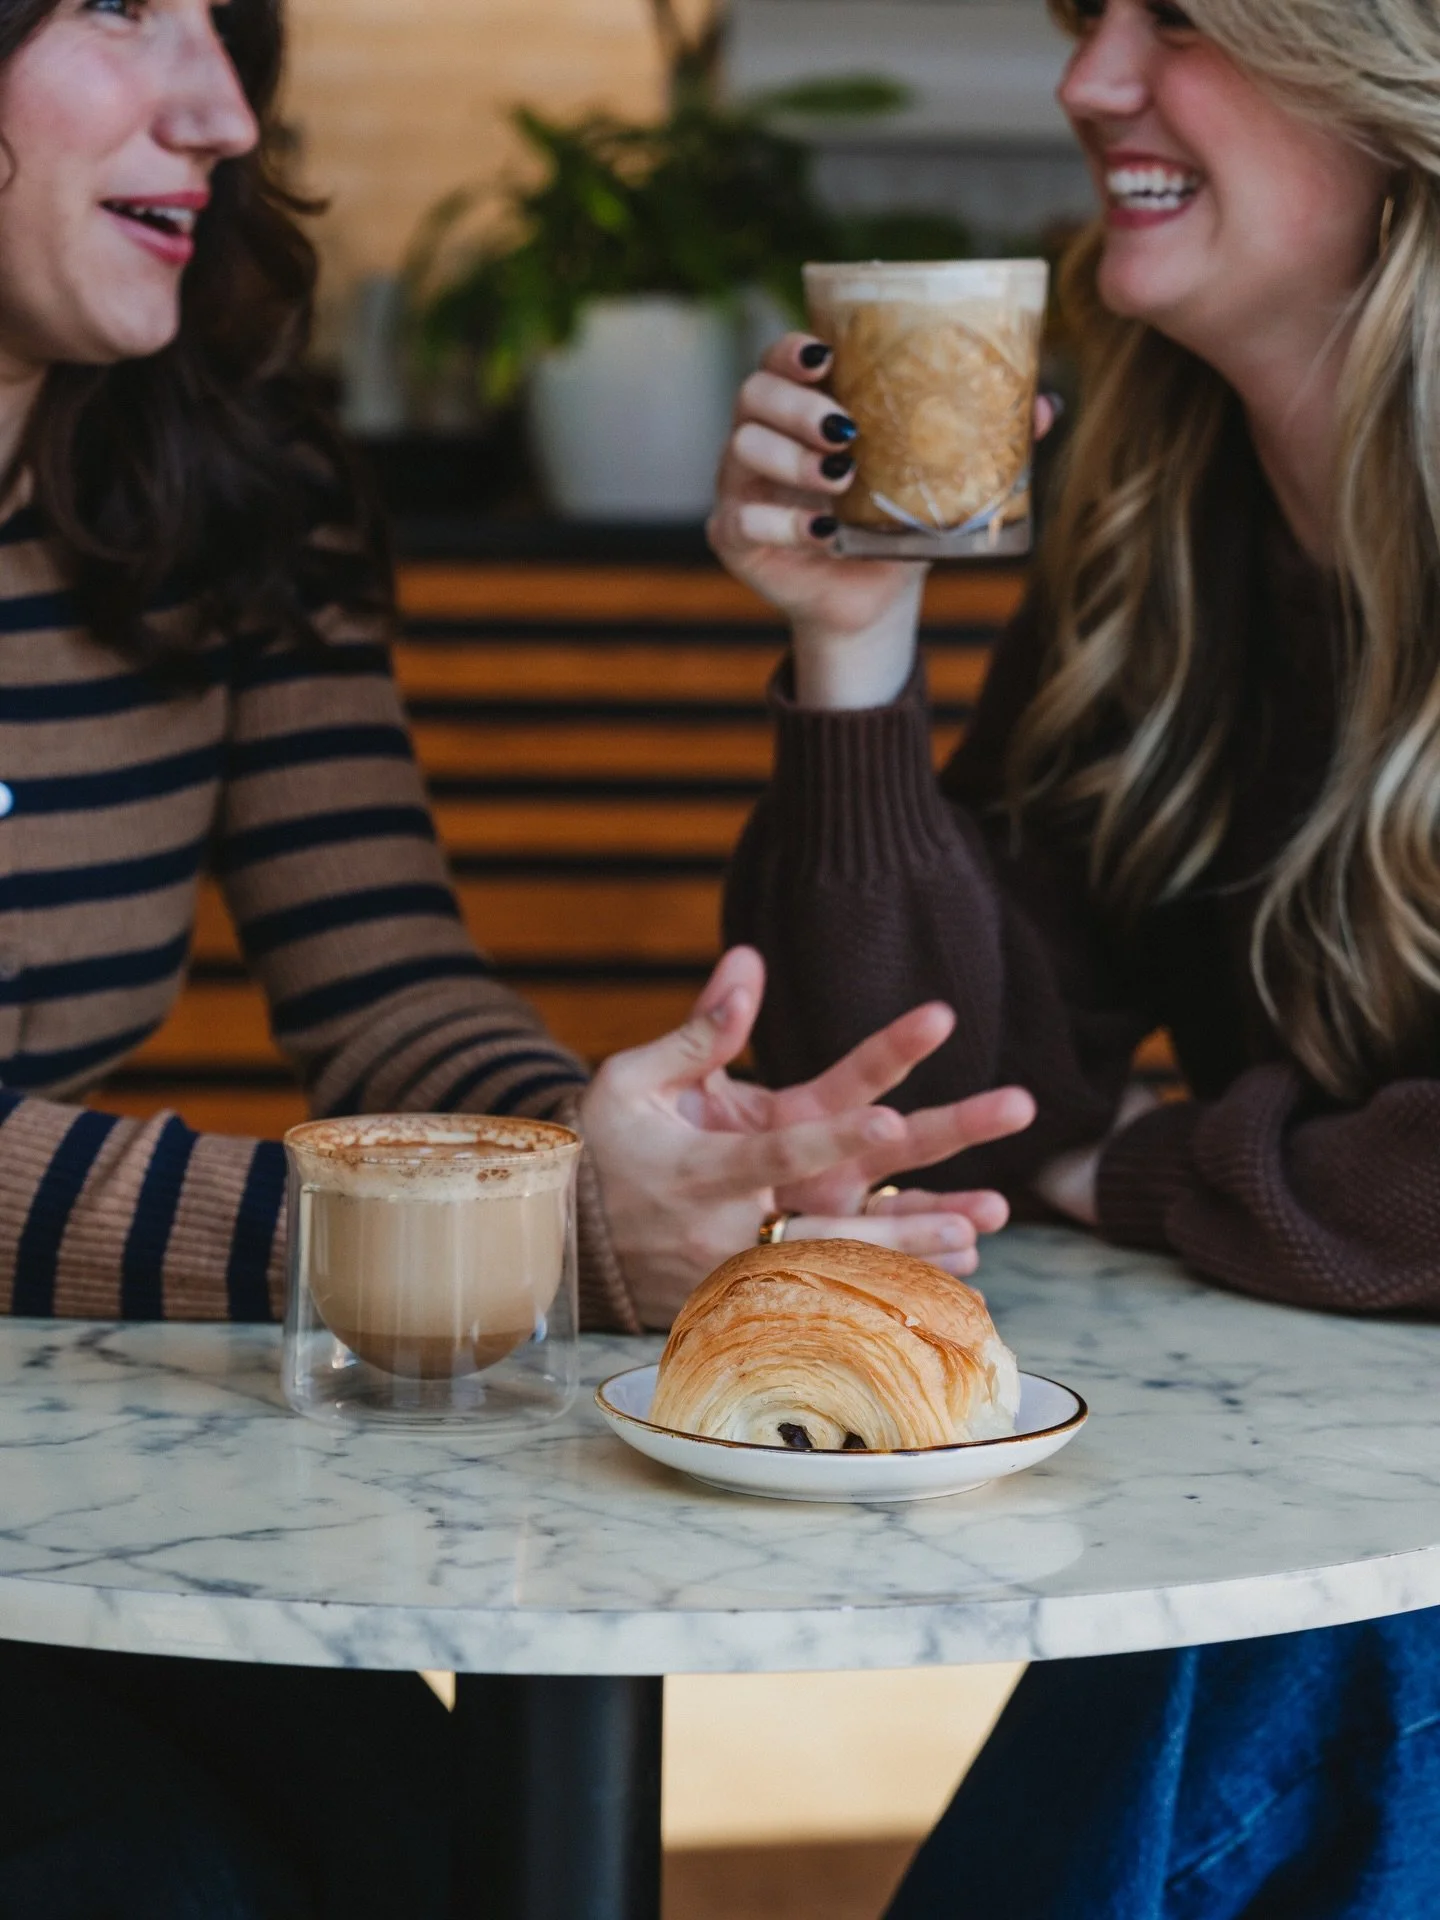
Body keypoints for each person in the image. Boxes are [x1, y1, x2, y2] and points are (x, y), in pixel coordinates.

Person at [0, 1, 1040, 1913]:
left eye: (229, 30)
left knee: (433, 1847)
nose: (222, 109)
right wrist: (521, 1227)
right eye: (125, 6)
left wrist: (624, 1145)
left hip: (49, 1493)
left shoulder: (224, 482)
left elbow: (384, 978)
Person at [710, 0, 1440, 1911]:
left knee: (1302, 1653)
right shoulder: (1159, 516)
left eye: (1181, 18)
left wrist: (1128, 1173)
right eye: (1086, 18)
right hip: (1345, 1478)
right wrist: (851, 643)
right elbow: (921, 1113)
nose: (1090, 80)